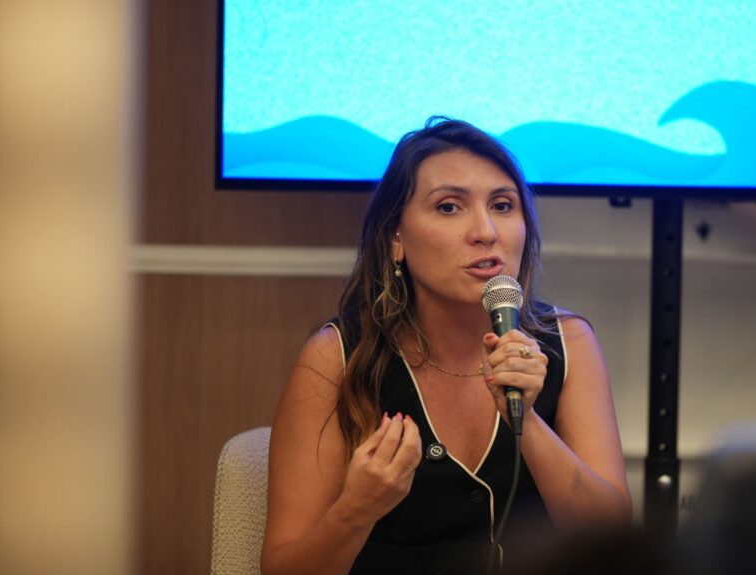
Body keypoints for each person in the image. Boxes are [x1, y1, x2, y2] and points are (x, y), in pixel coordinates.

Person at [260, 117, 631, 574]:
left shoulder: (568, 341)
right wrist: (354, 512)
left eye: (502, 205)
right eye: (450, 207)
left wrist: (529, 422)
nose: (485, 231)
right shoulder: (335, 356)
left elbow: (611, 545)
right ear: (395, 237)